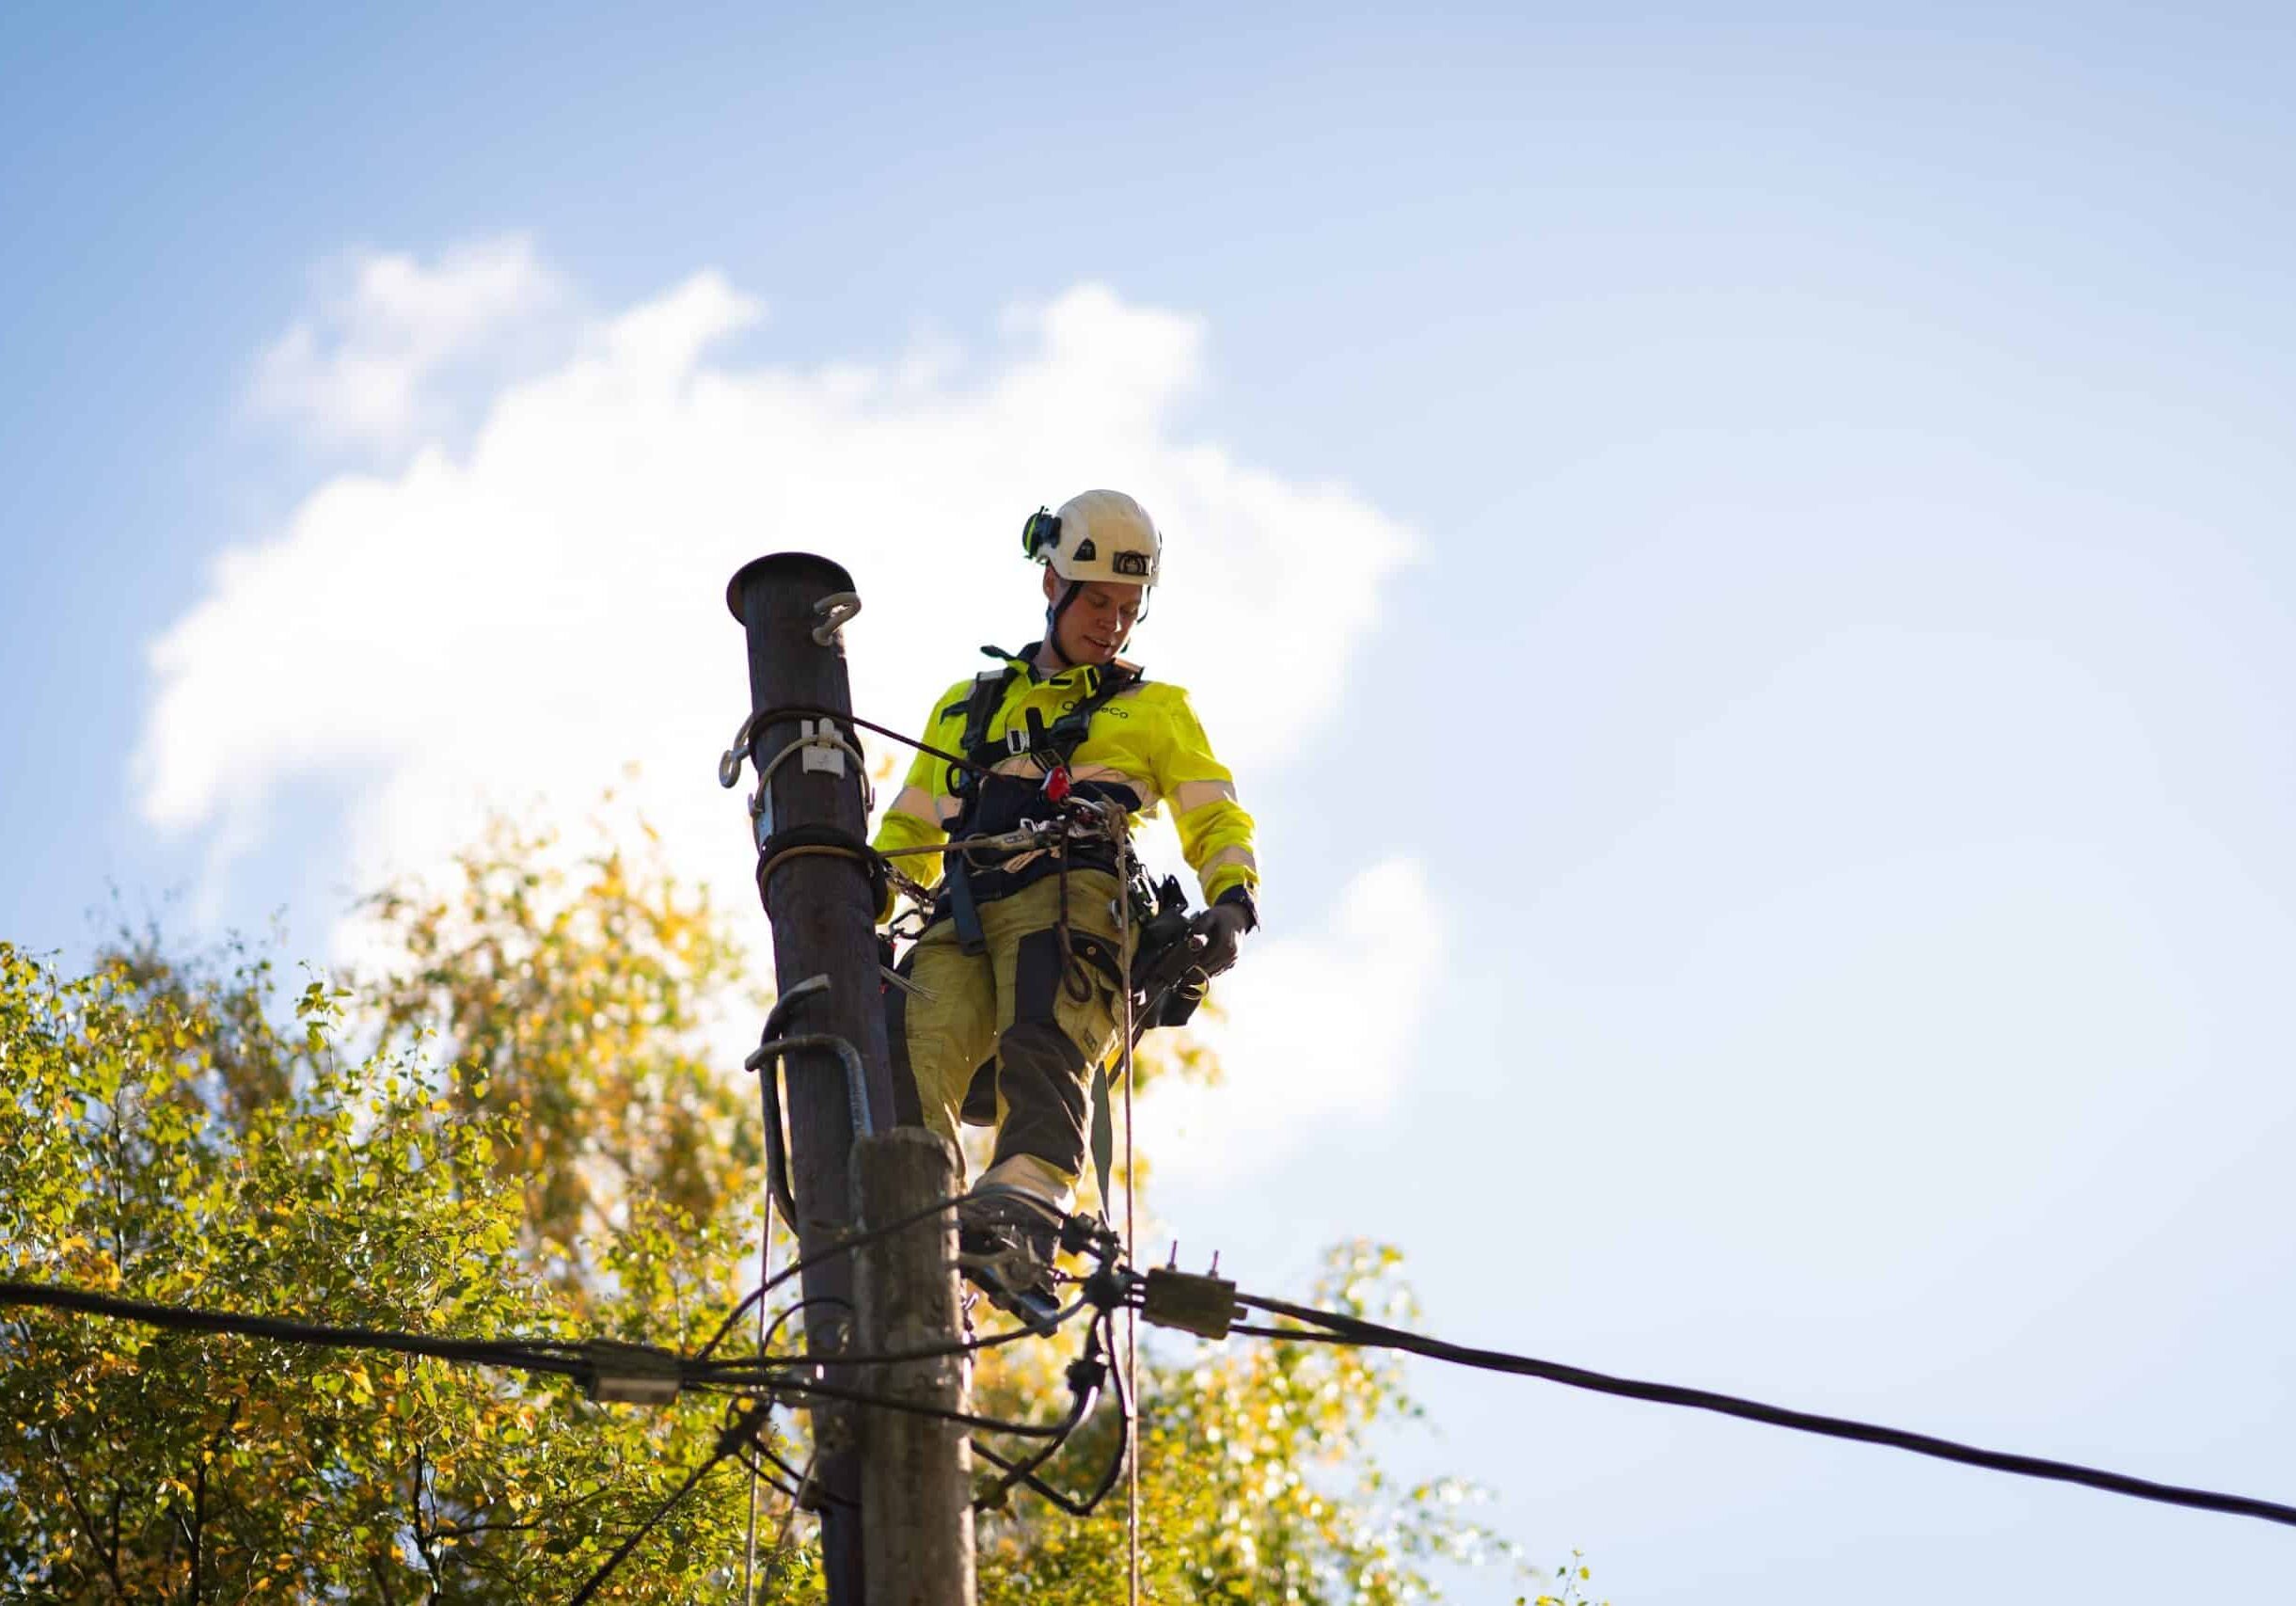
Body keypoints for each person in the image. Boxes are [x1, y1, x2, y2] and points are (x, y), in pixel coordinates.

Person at [872, 489, 1259, 1313]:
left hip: (1074, 901)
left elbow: (1211, 809)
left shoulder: (1155, 710)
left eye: (1129, 608)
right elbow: (908, 830)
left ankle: (1019, 1219)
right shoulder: (968, 706)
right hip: (965, 910)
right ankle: (918, 1214)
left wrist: (1231, 896)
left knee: (1046, 1047)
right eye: (1096, 600)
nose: (1112, 623)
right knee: (907, 1044)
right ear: (1052, 584)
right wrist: (854, 901)